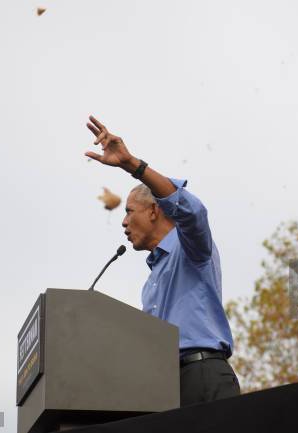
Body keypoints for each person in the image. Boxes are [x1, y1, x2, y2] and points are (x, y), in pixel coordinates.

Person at [84, 115, 240, 406]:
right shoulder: (152, 281)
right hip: (162, 389)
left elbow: (193, 212)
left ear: (154, 211)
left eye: (130, 211)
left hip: (202, 377)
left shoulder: (192, 248)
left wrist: (132, 165)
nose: (124, 222)